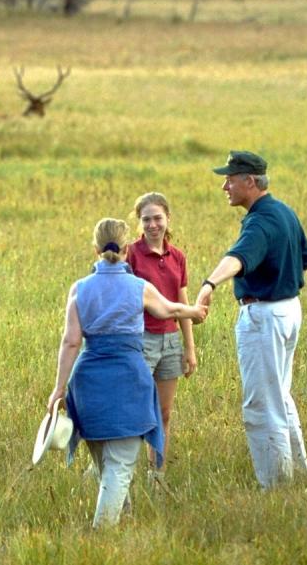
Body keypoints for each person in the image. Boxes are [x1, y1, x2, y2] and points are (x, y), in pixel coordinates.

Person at [45, 218, 207, 528]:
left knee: (109, 466)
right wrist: (196, 312)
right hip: (128, 382)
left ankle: (124, 526)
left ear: (95, 249)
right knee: (120, 467)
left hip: (88, 385)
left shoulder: (79, 289)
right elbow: (170, 310)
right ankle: (101, 535)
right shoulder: (139, 287)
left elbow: (70, 342)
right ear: (126, 249)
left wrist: (58, 390)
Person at [195, 151, 307, 489]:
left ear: (250, 181)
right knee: (280, 395)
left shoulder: (261, 221)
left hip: (264, 316)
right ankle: (298, 475)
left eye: (230, 179)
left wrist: (208, 284)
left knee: (262, 405)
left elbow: (238, 257)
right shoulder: (284, 212)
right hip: (288, 309)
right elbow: (305, 258)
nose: (224, 186)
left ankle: (276, 486)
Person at [126, 192, 197, 486]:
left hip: (170, 342)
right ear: (139, 223)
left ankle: (157, 476)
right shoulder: (130, 254)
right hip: (141, 340)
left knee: (164, 413)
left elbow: (182, 303)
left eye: (158, 218)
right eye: (146, 220)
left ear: (168, 219)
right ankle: (122, 471)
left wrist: (189, 348)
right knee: (136, 410)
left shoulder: (178, 256)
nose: (153, 225)